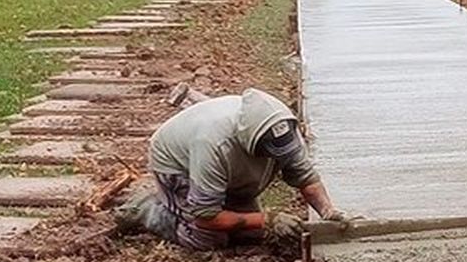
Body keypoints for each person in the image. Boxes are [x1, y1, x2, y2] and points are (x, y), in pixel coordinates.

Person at [116, 87, 344, 250]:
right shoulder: (213, 144)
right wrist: (268, 219)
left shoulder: (282, 131)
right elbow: (205, 216)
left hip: (227, 171)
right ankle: (147, 208)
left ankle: (223, 196)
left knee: (252, 234)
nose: (278, 157)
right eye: (271, 152)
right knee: (209, 239)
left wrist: (327, 211)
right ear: (251, 142)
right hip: (177, 166)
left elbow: (305, 178)